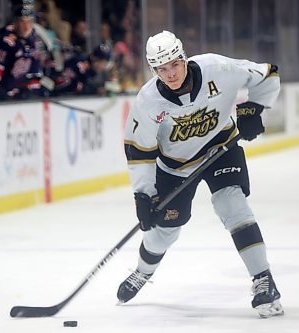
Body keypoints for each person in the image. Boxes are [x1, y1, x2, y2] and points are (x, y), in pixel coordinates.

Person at [119, 30, 284, 318]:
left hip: (221, 149)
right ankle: (142, 272)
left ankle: (263, 279)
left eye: (174, 64)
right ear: (153, 69)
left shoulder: (217, 69)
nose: (170, 74)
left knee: (232, 205)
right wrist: (143, 195)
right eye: (161, 68)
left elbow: (266, 75)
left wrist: (253, 111)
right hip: (175, 167)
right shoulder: (147, 102)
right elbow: (139, 152)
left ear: (183, 57)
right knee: (165, 232)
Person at [0, 5, 49, 100]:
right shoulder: (7, 41)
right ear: (15, 23)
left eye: (29, 21)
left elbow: (35, 71)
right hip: (8, 88)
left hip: (25, 87)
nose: (26, 26)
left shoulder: (35, 41)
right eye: (22, 21)